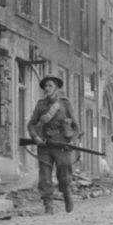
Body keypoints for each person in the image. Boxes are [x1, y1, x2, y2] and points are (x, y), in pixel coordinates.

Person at [28, 75, 80, 214]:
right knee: (44, 176)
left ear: (56, 88)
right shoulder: (41, 104)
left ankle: (67, 193)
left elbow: (76, 126)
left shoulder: (65, 104)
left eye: (50, 85)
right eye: (45, 86)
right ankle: (48, 205)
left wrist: (73, 140)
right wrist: (35, 137)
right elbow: (31, 124)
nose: (47, 88)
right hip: (45, 144)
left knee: (64, 174)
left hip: (62, 143)